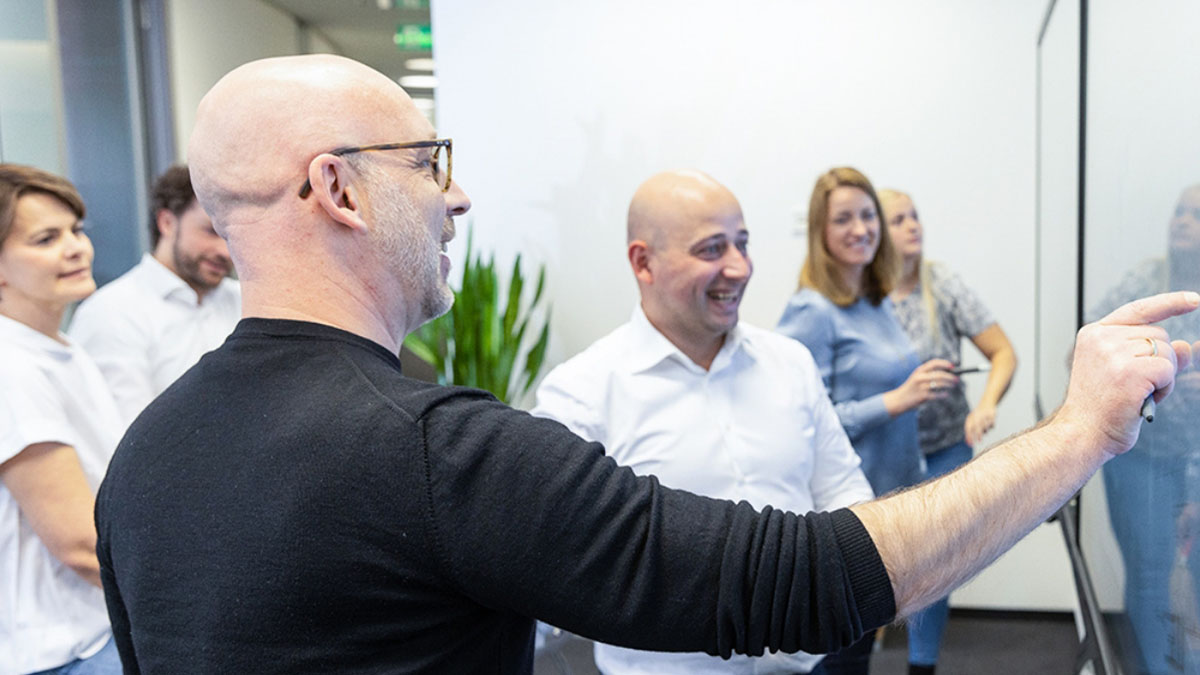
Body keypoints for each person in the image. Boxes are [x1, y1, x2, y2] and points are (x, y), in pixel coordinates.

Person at [94, 54, 1198, 674]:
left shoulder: (146, 456)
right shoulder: (439, 452)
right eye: (431, 162)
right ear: (336, 188)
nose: (459, 195)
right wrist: (1083, 427)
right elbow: (804, 578)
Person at [532, 169, 875, 674]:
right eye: (712, 249)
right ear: (643, 262)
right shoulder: (581, 394)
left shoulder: (791, 363)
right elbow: (551, 558)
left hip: (813, 665)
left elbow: (844, 490)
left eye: (742, 244)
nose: (739, 268)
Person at [774, 168, 961, 675]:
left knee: (857, 651)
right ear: (820, 232)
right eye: (843, 219)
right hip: (849, 514)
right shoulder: (811, 310)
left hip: (892, 497)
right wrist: (897, 400)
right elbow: (799, 421)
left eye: (867, 215)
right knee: (840, 654)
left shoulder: (875, 299)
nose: (861, 229)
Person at [879, 189, 1018, 675]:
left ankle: (923, 666)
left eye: (914, 216)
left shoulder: (943, 283)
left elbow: (1003, 353)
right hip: (880, 454)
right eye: (898, 219)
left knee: (934, 565)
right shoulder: (856, 294)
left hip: (944, 449)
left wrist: (985, 406)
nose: (913, 226)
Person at [0, 164, 122, 673]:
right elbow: (78, 545)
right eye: (46, 238)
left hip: (95, 632)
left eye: (76, 230)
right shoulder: (11, 367)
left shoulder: (59, 347)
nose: (76, 248)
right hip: (66, 652)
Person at [1087, 184, 1200, 675]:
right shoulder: (1146, 280)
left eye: (1197, 215)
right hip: (1143, 457)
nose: (1183, 221)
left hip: (1195, 457)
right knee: (1152, 575)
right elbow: (1088, 349)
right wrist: (1153, 371)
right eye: (1179, 211)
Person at [69, 165, 239, 425]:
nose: (225, 251)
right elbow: (127, 437)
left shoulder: (246, 300)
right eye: (212, 231)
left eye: (231, 237)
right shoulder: (111, 313)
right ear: (167, 222)